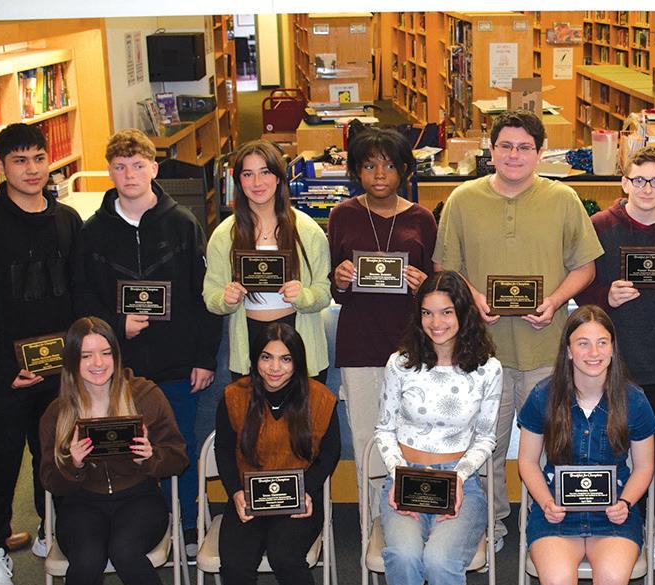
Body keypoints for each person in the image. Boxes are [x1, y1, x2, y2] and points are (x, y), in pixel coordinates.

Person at [435, 110, 603, 544]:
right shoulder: (462, 200)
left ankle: (546, 523)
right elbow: (445, 268)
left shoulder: (563, 199)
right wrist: (473, 297)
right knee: (483, 446)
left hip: (546, 351)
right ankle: (489, 523)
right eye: (505, 146)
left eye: (525, 147)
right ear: (491, 151)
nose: (514, 155)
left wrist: (555, 301)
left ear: (540, 152)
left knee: (550, 446)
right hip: (479, 353)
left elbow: (585, 267)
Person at [75, 129, 220, 550]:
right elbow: (83, 299)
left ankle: (188, 523)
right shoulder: (93, 232)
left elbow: (204, 295)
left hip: (178, 363)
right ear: (109, 171)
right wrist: (117, 325)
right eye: (120, 167)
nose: (130, 174)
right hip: (118, 366)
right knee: (125, 446)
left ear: (154, 169)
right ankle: (143, 526)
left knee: (179, 443)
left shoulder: (183, 224)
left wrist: (204, 358)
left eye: (138, 165)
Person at [0, 122, 82, 585]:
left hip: (59, 373)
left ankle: (50, 531)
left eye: (38, 158)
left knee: (54, 455)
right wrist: (4, 369)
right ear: (1, 165)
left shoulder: (67, 220)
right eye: (20, 160)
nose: (32, 169)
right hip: (3, 375)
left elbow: (78, 295)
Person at [516, 306, 655, 585]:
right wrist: (545, 500)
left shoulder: (634, 399)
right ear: (568, 350)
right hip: (556, 512)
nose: (593, 352)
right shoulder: (544, 395)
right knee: (557, 583)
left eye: (601, 342)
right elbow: (527, 462)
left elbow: (644, 467)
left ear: (613, 348)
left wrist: (626, 502)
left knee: (612, 578)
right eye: (583, 343)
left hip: (612, 513)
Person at [37, 316, 189, 585]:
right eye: (87, 355)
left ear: (117, 355)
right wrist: (72, 465)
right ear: (72, 361)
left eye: (106, 352)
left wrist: (150, 458)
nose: (98, 363)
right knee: (87, 558)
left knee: (125, 551)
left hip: (138, 498)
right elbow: (50, 481)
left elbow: (178, 457)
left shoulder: (145, 395)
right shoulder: (57, 411)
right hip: (81, 502)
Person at [372, 271, 502, 585]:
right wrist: (398, 477)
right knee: (405, 554)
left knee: (441, 558)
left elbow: (485, 438)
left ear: (463, 313)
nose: (436, 322)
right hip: (405, 477)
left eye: (446, 312)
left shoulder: (487, 369)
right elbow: (384, 429)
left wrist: (459, 479)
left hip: (460, 481)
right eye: (427, 313)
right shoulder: (400, 363)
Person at [214, 322, 338, 585]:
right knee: (235, 563)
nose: (274, 367)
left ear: (297, 362)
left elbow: (329, 454)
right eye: (266, 357)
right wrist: (235, 492)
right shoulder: (234, 396)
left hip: (300, 497)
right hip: (249, 496)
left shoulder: (320, 398)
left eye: (285, 359)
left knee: (285, 557)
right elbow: (224, 450)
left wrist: (308, 492)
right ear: (255, 360)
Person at [327, 128, 435, 508]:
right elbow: (335, 289)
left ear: (404, 170)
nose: (379, 175)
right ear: (357, 171)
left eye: (389, 166)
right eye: (369, 166)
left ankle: (409, 512)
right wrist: (339, 279)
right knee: (366, 439)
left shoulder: (422, 219)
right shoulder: (342, 215)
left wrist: (423, 286)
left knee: (413, 436)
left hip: (411, 346)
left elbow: (435, 294)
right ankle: (370, 520)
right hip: (359, 344)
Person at [574, 146, 655, 430]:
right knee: (608, 441)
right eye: (639, 180)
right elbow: (581, 291)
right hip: (608, 362)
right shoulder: (599, 227)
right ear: (624, 183)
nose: (647, 189)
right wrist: (605, 297)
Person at [204, 139, 332, 383]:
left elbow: (324, 292)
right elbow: (210, 296)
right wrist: (225, 299)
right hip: (249, 342)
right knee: (250, 408)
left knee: (304, 409)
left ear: (278, 177)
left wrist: (304, 296)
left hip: (300, 338)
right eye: (247, 174)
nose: (257, 182)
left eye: (265, 172)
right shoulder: (224, 235)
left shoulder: (307, 231)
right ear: (238, 181)